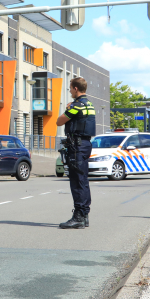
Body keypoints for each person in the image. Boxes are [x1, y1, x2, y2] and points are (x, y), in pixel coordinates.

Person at [56, 77, 96, 229]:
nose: (70, 91)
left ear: (76, 89)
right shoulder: (89, 104)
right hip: (85, 144)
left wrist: (68, 109)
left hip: (76, 146)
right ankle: (84, 215)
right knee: (83, 180)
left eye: (70, 88)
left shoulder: (76, 106)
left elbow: (59, 121)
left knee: (77, 182)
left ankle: (79, 216)